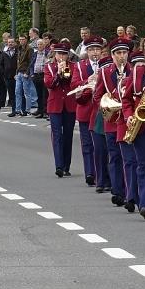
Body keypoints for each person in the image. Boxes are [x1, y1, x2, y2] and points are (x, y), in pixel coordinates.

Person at [119, 47, 145, 218]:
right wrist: (128, 116)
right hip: (142, 126)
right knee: (144, 165)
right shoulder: (138, 72)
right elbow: (126, 99)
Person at [96, 39, 132, 205]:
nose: (122, 56)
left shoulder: (134, 70)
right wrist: (106, 105)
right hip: (112, 121)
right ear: (112, 55)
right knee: (115, 156)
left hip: (129, 121)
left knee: (129, 158)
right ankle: (118, 191)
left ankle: (130, 192)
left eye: (124, 52)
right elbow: (97, 95)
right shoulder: (105, 72)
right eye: (118, 53)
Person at [70, 37, 104, 185]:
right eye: (91, 50)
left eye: (97, 49)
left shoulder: (105, 65)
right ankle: (90, 173)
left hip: (101, 110)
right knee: (87, 144)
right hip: (85, 108)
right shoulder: (80, 66)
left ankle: (101, 175)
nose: (95, 52)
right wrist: (88, 81)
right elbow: (74, 84)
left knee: (101, 146)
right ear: (87, 51)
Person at [44, 40, 76, 178]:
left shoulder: (73, 66)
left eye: (64, 54)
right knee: (57, 135)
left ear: (68, 55)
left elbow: (70, 82)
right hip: (55, 105)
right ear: (55, 54)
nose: (61, 57)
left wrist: (65, 69)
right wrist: (58, 72)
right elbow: (49, 84)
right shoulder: (49, 67)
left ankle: (66, 166)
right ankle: (59, 166)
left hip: (69, 104)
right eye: (59, 54)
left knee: (68, 135)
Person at [13, 35, 35, 117]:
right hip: (19, 72)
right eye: (20, 39)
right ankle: (18, 110)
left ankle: (27, 110)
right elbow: (18, 62)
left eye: (23, 39)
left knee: (27, 92)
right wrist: (16, 73)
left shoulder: (29, 49)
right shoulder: (19, 48)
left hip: (25, 72)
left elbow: (31, 61)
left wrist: (27, 72)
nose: (21, 41)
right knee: (17, 92)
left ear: (26, 40)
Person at [32, 38, 49, 118]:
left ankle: (45, 111)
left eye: (41, 44)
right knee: (38, 94)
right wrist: (32, 74)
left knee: (44, 94)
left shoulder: (47, 53)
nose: (40, 46)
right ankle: (40, 110)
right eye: (38, 44)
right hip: (36, 75)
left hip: (44, 75)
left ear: (44, 45)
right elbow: (32, 64)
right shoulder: (35, 54)